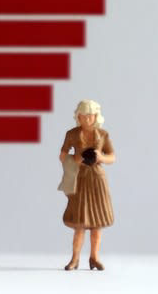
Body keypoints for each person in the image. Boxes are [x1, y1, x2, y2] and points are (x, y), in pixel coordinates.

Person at [58, 100, 115, 271]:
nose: (87, 119)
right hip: (80, 179)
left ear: (96, 116)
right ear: (78, 117)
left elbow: (112, 156)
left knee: (97, 224)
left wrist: (101, 157)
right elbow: (62, 156)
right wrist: (75, 159)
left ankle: (94, 257)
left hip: (97, 179)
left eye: (90, 116)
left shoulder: (103, 135)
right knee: (80, 224)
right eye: (83, 116)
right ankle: (75, 259)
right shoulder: (72, 134)